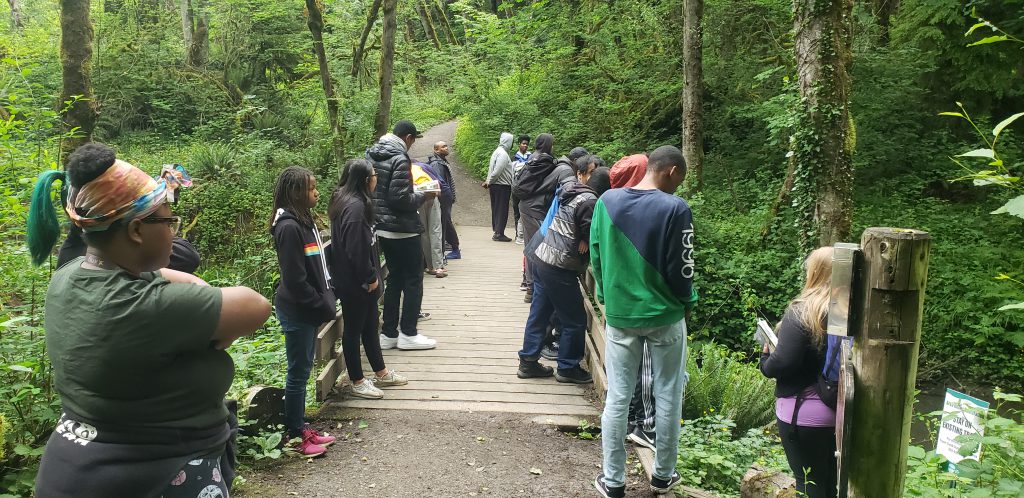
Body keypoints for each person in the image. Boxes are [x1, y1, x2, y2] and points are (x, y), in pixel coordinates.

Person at [27, 143, 272, 496]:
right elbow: (255, 305)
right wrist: (210, 320)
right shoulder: (143, 307)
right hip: (150, 477)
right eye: (169, 220)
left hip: (77, 467)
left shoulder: (70, 275)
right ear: (137, 230)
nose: (174, 230)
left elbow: (164, 278)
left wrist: (196, 300)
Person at [591, 145, 696, 498]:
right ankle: (663, 476)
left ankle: (613, 481)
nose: (680, 185)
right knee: (667, 394)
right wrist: (687, 302)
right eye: (680, 178)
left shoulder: (606, 202)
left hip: (621, 315)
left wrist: (606, 298)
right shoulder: (675, 208)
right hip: (665, 315)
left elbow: (596, 254)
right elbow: (683, 265)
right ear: (671, 172)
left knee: (618, 396)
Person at [517, 155, 607, 384]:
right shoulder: (590, 201)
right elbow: (593, 236)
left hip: (543, 258)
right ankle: (567, 368)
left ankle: (527, 362)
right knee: (575, 319)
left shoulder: (572, 191)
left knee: (540, 313)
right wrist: (586, 239)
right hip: (558, 265)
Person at [269, 165, 339, 457]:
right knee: (298, 373)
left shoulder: (303, 220)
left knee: (304, 369)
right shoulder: (287, 227)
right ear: (297, 192)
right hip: (297, 310)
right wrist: (320, 302)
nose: (317, 193)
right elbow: (295, 279)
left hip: (307, 309)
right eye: (311, 188)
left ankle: (299, 426)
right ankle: (295, 435)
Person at [758, 247, 838, 498]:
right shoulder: (850, 311)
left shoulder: (804, 311)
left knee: (809, 485)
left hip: (802, 414)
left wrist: (765, 357)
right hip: (841, 412)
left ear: (815, 272)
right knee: (833, 486)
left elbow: (782, 364)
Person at [328, 159, 409, 400]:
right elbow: (355, 248)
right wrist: (370, 276)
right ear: (366, 180)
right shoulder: (354, 207)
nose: (377, 178)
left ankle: (381, 372)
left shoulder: (346, 199)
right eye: (375, 175)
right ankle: (357, 380)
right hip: (355, 282)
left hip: (358, 279)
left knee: (371, 325)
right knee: (353, 330)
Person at [367, 120, 438, 351]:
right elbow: (400, 198)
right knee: (414, 279)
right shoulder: (399, 157)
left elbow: (379, 192)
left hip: (382, 227)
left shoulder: (372, 154)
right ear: (408, 138)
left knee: (395, 278)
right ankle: (408, 333)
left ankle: (388, 334)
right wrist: (423, 195)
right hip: (403, 229)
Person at [512, 134, 574, 303]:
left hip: (525, 206)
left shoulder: (532, 158)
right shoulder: (545, 161)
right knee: (537, 248)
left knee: (530, 245)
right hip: (535, 209)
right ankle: (534, 289)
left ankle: (530, 287)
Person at [413, 161, 447, 278]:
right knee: (436, 231)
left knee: (424, 233)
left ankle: (431, 266)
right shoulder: (425, 167)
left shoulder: (401, 168)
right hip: (432, 196)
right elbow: (439, 182)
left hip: (417, 200)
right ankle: (438, 267)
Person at [427, 141, 461, 260]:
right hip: (443, 197)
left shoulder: (441, 161)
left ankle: (453, 249)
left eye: (446, 146)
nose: (446, 148)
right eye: (443, 147)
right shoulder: (437, 164)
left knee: (445, 222)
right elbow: (439, 182)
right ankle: (453, 249)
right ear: (436, 150)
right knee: (444, 222)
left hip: (445, 197)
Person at [483, 132, 514, 242]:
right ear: (508, 141)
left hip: (496, 185)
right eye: (512, 141)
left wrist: (488, 181)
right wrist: (489, 182)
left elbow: (491, 169)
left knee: (496, 208)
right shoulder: (503, 154)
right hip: (502, 185)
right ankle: (499, 233)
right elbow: (497, 171)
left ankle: (497, 231)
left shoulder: (497, 152)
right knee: (502, 209)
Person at [512, 135, 532, 245]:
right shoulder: (513, 157)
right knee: (516, 211)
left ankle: (525, 234)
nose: (525, 145)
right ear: (519, 144)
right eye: (523, 143)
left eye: (526, 144)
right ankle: (517, 234)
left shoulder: (531, 157)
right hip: (516, 188)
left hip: (527, 188)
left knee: (526, 210)